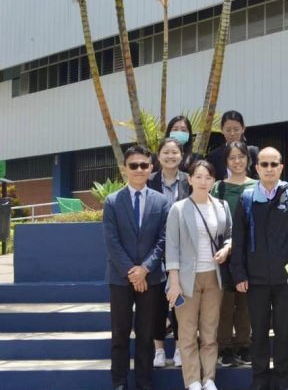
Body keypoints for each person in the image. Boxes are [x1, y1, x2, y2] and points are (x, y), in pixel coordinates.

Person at [231, 146, 288, 390]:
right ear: (256, 168)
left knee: (284, 332)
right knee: (259, 333)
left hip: (286, 278)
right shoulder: (246, 198)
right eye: (264, 164)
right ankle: (260, 381)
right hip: (255, 279)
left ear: (280, 166)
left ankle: (282, 380)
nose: (269, 169)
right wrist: (239, 273)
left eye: (273, 164)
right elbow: (239, 239)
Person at [103, 145, 171, 390]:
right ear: (125, 169)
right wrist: (133, 272)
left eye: (144, 165)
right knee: (120, 335)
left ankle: (144, 383)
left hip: (151, 279)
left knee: (145, 336)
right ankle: (119, 383)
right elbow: (112, 241)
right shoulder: (112, 202)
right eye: (134, 165)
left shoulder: (162, 202)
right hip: (121, 279)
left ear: (151, 168)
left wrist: (145, 269)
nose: (139, 169)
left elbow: (163, 240)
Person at [165, 160, 232, 390]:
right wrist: (174, 282)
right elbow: (171, 247)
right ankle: (192, 380)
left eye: (208, 177)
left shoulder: (222, 206)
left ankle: (209, 378)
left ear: (214, 181)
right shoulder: (179, 208)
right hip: (186, 279)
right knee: (186, 333)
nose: (204, 181)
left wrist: (227, 248)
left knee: (209, 332)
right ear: (190, 179)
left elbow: (230, 235)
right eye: (199, 177)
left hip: (214, 277)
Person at [148, 137, 192, 368]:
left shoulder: (188, 180)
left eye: (175, 152)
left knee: (179, 301)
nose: (170, 156)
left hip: (183, 250)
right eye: (166, 152)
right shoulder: (150, 180)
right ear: (158, 156)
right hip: (155, 248)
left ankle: (177, 347)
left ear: (182, 156)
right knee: (157, 301)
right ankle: (158, 349)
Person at [214, 140, 257, 368]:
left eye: (241, 156)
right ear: (226, 161)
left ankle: (243, 344)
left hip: (251, 254)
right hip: (225, 254)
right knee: (224, 303)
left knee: (246, 303)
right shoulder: (218, 187)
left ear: (248, 160)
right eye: (232, 157)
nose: (237, 161)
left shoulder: (258, 186)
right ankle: (224, 347)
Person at [207, 110, 260, 180]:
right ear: (222, 130)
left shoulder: (253, 152)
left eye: (236, 129)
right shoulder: (213, 156)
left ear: (243, 129)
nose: (232, 133)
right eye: (228, 130)